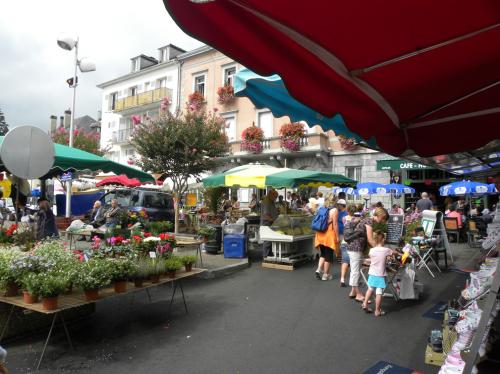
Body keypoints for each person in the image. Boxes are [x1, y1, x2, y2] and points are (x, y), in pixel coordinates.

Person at [345, 207, 389, 302]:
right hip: (355, 248)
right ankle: (358, 294)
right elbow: (370, 239)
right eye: (383, 219)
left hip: (355, 247)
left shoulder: (368, 220)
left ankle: (353, 292)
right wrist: (379, 250)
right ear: (380, 216)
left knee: (356, 269)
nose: (383, 221)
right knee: (355, 271)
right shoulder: (369, 221)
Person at [362, 231, 398, 316]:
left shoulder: (371, 250)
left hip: (372, 272)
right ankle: (377, 311)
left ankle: (365, 304)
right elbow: (394, 253)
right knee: (379, 292)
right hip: (380, 274)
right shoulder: (386, 250)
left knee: (370, 289)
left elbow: (373, 259)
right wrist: (398, 253)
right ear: (383, 240)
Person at [314, 195, 339, 281]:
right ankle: (325, 275)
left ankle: (318, 270)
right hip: (329, 235)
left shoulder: (322, 208)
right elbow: (335, 224)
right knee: (328, 256)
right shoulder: (334, 210)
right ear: (335, 201)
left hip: (320, 233)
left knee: (323, 254)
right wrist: (337, 236)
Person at [260, 189, 279, 257]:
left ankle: (269, 254)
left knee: (271, 239)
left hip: (270, 222)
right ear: (271, 195)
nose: (276, 199)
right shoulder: (266, 201)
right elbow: (266, 214)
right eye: (275, 197)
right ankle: (266, 256)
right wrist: (273, 220)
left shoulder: (271, 201)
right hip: (267, 222)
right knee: (267, 239)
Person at [337, 200, 350, 286]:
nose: (338, 206)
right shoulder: (339, 212)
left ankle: (342, 279)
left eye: (339, 205)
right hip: (342, 233)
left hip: (344, 234)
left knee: (345, 260)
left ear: (342, 205)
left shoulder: (344, 214)